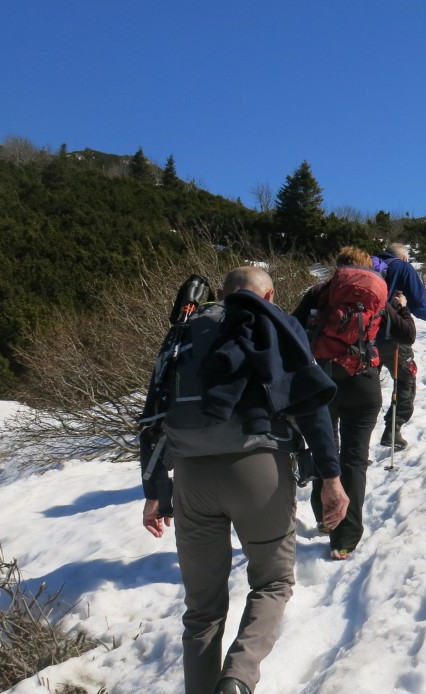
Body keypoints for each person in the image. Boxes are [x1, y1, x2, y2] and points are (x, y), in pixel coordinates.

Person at [140, 266, 349, 694]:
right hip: (259, 470)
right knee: (272, 583)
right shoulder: (277, 323)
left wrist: (155, 491)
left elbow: (153, 411)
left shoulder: (185, 330)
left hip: (192, 475)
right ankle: (238, 678)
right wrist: (331, 476)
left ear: (223, 293)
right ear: (268, 294)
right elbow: (311, 407)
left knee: (201, 610)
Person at [293, 246, 415, 559]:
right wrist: (401, 309)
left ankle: (325, 519)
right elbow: (407, 335)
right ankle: (344, 539)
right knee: (354, 458)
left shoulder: (319, 292)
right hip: (363, 381)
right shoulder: (377, 294)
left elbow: (292, 331)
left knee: (325, 449)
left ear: (338, 267)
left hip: (322, 379)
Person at [371, 243, 426, 450]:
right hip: (392, 335)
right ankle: (393, 430)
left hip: (363, 338)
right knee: (405, 381)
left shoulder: (366, 266)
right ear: (404, 257)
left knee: (367, 388)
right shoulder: (403, 268)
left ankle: (357, 444)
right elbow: (418, 303)